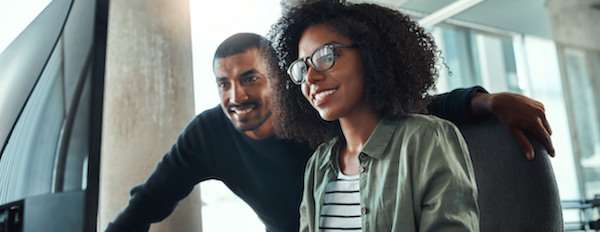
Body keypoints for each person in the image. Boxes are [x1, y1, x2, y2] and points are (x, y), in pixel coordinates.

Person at [105, 32, 553, 231]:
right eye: (223, 83)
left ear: (280, 80)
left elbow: (422, 107)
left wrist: (489, 101)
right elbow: (149, 201)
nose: (235, 96)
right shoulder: (208, 133)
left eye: (250, 78)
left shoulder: (320, 109)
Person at [268, 0, 478, 231]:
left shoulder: (426, 138)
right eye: (303, 67)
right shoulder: (318, 164)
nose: (311, 78)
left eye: (326, 56)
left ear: (370, 53)